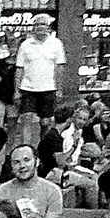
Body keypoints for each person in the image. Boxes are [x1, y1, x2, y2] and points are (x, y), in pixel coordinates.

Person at [0, 144, 63, 218]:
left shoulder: (52, 191)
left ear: (36, 162)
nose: (22, 166)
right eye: (16, 162)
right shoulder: (2, 192)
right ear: (11, 166)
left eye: (27, 160)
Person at [14, 13, 67, 150]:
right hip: (28, 88)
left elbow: (59, 68)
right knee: (26, 119)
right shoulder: (25, 45)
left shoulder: (56, 44)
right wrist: (16, 90)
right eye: (37, 25)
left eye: (43, 25)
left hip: (48, 88)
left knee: (45, 122)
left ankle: (42, 149)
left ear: (48, 28)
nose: (40, 28)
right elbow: (19, 68)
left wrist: (59, 89)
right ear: (33, 28)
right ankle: (26, 148)